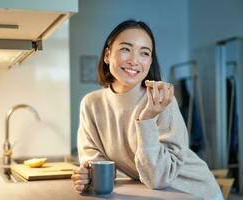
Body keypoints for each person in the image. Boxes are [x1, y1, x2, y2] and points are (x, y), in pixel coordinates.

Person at [71, 19, 223, 200]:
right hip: (152, 194)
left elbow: (158, 178)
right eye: (126, 49)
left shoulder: (161, 101)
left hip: (193, 192)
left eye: (144, 53)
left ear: (150, 62)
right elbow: (96, 163)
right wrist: (88, 176)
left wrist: (147, 119)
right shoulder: (91, 104)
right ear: (107, 55)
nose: (134, 61)